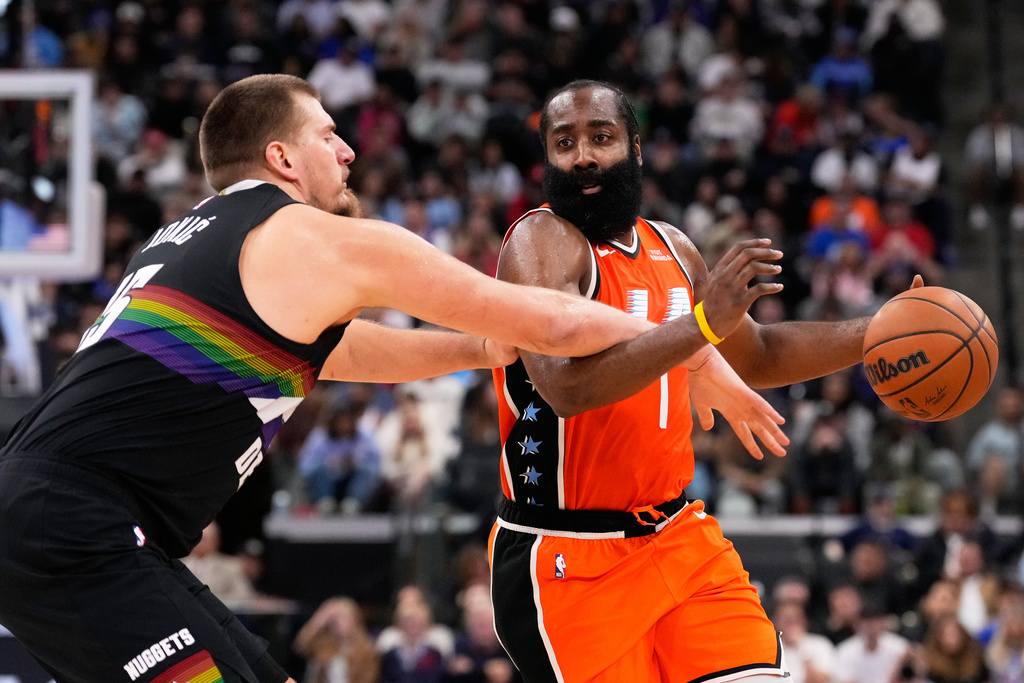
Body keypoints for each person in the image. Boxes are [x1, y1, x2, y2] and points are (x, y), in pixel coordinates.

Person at [0, 74, 784, 683]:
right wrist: (698, 341)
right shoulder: (314, 237)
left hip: (65, 519)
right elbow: (551, 321)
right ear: (281, 158)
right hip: (78, 526)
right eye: (328, 134)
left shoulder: (187, 240)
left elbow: (343, 354)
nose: (346, 151)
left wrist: (478, 350)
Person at [489, 79, 924, 683]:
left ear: (636, 149)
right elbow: (564, 388)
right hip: (568, 557)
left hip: (676, 537)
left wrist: (876, 332)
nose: (583, 154)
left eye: (601, 137)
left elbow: (762, 353)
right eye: (564, 143)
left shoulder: (675, 249)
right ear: (547, 161)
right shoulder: (539, 241)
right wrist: (698, 328)